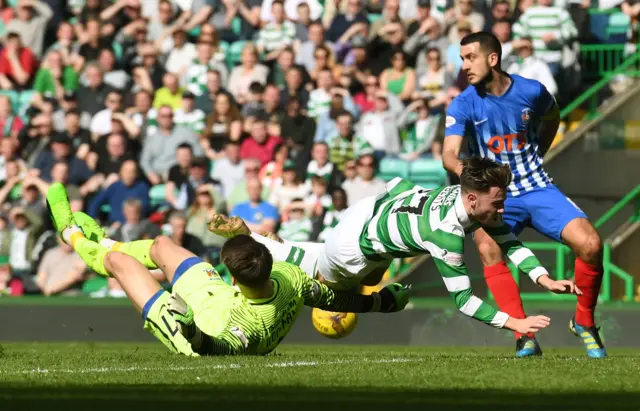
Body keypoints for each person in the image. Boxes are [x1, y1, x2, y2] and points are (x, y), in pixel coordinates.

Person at [210, 157, 580, 336]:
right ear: (471, 199)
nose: (502, 209)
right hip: (356, 249)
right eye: (496, 202)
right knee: (327, 293)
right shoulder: (446, 235)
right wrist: (515, 322)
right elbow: (464, 301)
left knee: (323, 259)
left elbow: (504, 235)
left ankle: (260, 240)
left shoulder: (463, 196)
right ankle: (258, 249)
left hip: (367, 210)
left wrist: (542, 277)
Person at [46, 184, 410, 356]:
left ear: (232, 275)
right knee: (161, 245)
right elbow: (338, 298)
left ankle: (73, 234)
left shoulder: (248, 330)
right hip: (219, 296)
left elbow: (211, 348)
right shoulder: (292, 277)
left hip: (196, 326)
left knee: (119, 264)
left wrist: (186, 322)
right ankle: (105, 240)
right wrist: (382, 303)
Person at [442, 32, 605, 358]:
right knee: (488, 247)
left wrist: (539, 150)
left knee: (591, 245)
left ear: (492, 59)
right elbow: (449, 154)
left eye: (470, 57)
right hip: (496, 195)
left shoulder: (531, 90)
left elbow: (552, 116)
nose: (465, 66)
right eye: (461, 59)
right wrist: (472, 178)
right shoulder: (463, 103)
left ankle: (584, 322)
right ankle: (523, 334)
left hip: (537, 185)